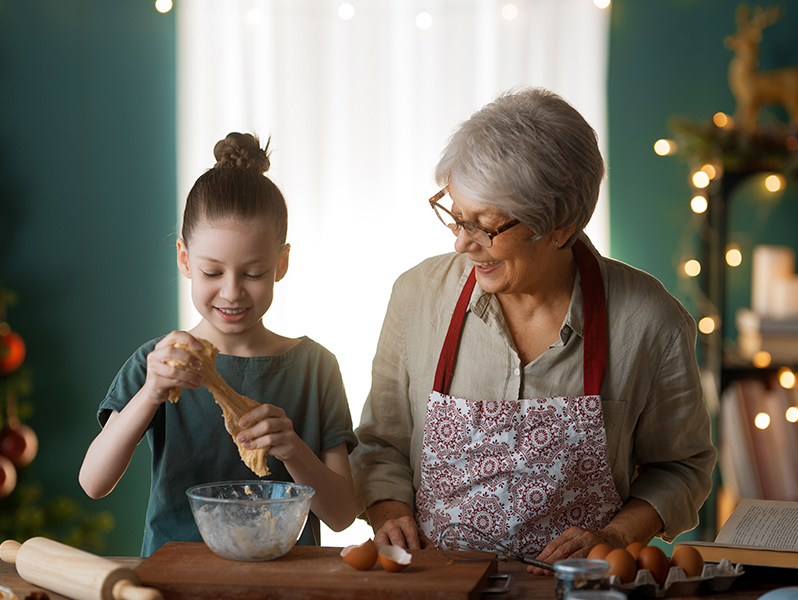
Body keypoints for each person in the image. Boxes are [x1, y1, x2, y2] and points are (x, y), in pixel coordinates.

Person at [350, 88, 717, 573]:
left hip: (576, 589)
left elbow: (682, 467)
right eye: (455, 216)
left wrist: (613, 536)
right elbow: (381, 444)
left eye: (485, 226)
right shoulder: (418, 297)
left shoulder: (651, 323)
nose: (462, 243)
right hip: (436, 583)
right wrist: (390, 508)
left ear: (561, 226)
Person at [79, 132, 358, 556]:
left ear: (280, 264)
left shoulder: (315, 368)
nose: (231, 293)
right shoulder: (157, 363)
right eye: (212, 273)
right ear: (185, 259)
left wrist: (294, 450)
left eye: (252, 273)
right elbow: (94, 483)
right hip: (177, 582)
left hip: (289, 582)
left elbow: (341, 516)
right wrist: (152, 392)